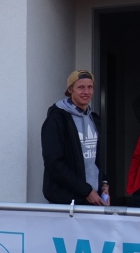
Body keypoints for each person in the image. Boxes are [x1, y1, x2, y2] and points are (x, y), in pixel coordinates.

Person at [41, 70, 109, 205]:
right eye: (80, 87)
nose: (86, 92)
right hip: (66, 201)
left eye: (90, 87)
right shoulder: (56, 119)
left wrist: (104, 183)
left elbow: (97, 159)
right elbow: (54, 164)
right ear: (70, 90)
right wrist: (86, 191)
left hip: (93, 197)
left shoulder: (94, 119)